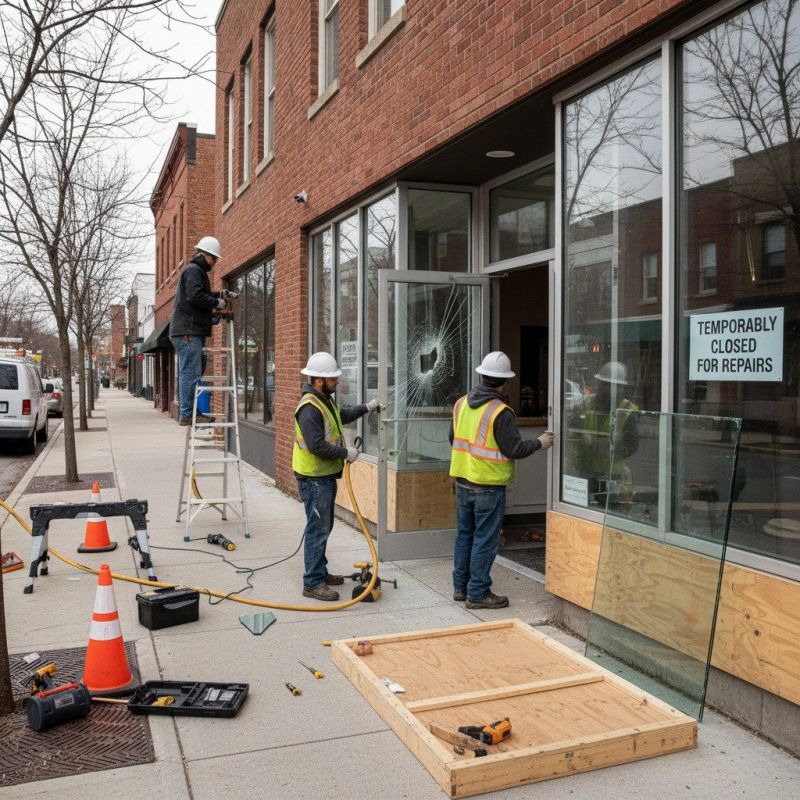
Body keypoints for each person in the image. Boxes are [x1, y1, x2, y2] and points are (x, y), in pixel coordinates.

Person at [449, 351, 553, 609]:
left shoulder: (461, 403)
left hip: (462, 481)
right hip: (487, 487)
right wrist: (540, 442)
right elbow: (513, 449)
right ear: (505, 382)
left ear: (482, 376)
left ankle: (461, 588)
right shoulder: (500, 411)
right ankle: (478, 593)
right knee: (485, 539)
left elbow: (453, 439)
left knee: (465, 535)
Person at [293, 352, 380, 600]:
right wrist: (346, 452)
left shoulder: (324, 401)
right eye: (332, 380)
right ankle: (312, 582)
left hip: (322, 477)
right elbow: (317, 445)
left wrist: (367, 408)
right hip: (313, 478)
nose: (337, 383)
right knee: (318, 529)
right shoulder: (309, 408)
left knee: (323, 526)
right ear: (319, 380)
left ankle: (319, 572)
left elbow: (340, 417)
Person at [169, 236, 227, 426]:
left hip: (190, 331)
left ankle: (191, 411)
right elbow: (195, 297)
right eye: (214, 258)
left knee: (194, 372)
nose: (215, 262)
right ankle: (187, 414)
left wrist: (218, 296)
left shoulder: (195, 271)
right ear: (206, 255)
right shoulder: (194, 270)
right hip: (188, 333)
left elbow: (196, 299)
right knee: (190, 374)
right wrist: (216, 302)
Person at [570, 361, 639, 507]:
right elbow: (572, 423)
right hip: (586, 471)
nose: (603, 387)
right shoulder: (587, 401)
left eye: (609, 385)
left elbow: (631, 445)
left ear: (620, 387)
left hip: (611, 475)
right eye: (602, 383)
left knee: (610, 511)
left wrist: (596, 445)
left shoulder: (627, 410)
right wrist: (581, 433)